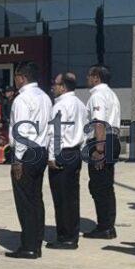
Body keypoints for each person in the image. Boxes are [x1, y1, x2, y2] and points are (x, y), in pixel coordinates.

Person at [5, 62, 53, 260]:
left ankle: (29, 246)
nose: (14, 80)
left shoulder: (22, 99)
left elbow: (22, 131)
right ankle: (36, 240)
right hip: (41, 151)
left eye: (16, 76)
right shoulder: (45, 97)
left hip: (26, 154)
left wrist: (17, 160)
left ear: (22, 77)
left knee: (25, 201)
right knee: (36, 199)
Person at [45, 72, 87, 250]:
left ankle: (66, 237)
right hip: (75, 152)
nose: (53, 87)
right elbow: (86, 129)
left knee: (62, 198)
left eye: (55, 84)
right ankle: (71, 233)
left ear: (63, 87)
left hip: (63, 152)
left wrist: (52, 156)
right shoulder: (80, 104)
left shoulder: (61, 106)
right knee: (72, 197)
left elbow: (56, 133)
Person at [83, 64, 123, 240]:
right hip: (112, 139)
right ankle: (108, 225)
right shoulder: (111, 94)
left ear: (96, 77)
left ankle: (104, 226)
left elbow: (98, 123)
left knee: (99, 186)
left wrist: (99, 149)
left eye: (89, 76)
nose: (87, 79)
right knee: (106, 186)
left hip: (102, 141)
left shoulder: (97, 95)